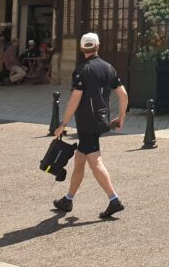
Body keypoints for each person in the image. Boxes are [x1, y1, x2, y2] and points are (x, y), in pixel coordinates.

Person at [52, 32, 129, 219]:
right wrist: (121, 118)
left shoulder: (82, 70)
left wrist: (63, 124)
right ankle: (68, 200)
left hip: (87, 123)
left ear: (81, 48)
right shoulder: (109, 68)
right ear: (98, 46)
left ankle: (114, 200)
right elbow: (124, 95)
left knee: (95, 161)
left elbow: (75, 99)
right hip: (101, 119)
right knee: (80, 159)